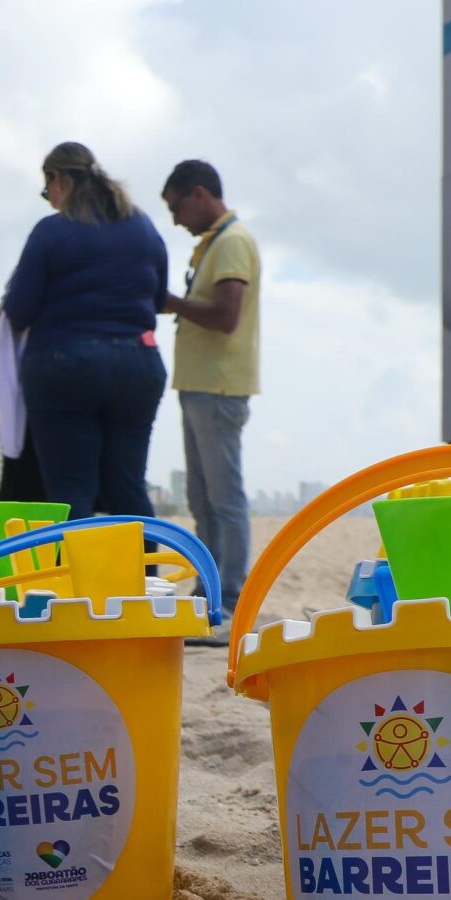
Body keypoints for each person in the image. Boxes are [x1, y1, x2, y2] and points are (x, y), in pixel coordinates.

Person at [0, 142, 168, 518]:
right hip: (138, 364)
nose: (49, 200)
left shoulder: (51, 233)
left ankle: (76, 578)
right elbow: (156, 300)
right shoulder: (142, 226)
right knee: (128, 487)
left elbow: (20, 309)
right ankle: (145, 577)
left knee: (71, 487)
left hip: (64, 363)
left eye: (48, 189)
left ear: (59, 179)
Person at [157, 160, 259, 626]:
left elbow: (226, 316)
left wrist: (170, 302)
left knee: (224, 499)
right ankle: (212, 591)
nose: (176, 219)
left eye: (177, 207)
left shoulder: (232, 242)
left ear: (199, 194)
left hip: (218, 387)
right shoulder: (217, 243)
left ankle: (233, 595)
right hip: (202, 385)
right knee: (203, 499)